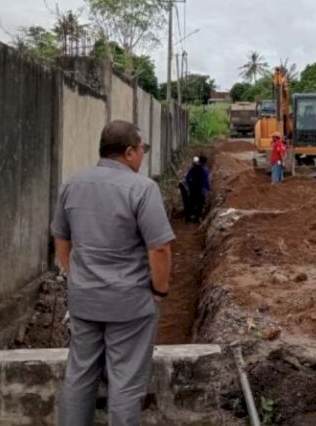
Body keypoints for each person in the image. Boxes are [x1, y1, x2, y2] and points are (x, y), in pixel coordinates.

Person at [52, 120, 174, 426]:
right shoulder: (143, 189)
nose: (143, 156)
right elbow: (159, 249)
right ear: (130, 152)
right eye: (142, 149)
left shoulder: (72, 184)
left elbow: (61, 239)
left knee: (79, 375)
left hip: (84, 300)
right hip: (129, 304)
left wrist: (74, 276)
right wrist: (159, 291)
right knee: (126, 383)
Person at [183, 155, 210, 222]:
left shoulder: (193, 168)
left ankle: (187, 218)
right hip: (200, 190)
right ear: (205, 162)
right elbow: (205, 181)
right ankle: (197, 218)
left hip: (193, 189)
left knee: (191, 203)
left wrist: (190, 186)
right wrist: (208, 189)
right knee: (200, 204)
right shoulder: (204, 170)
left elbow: (187, 178)